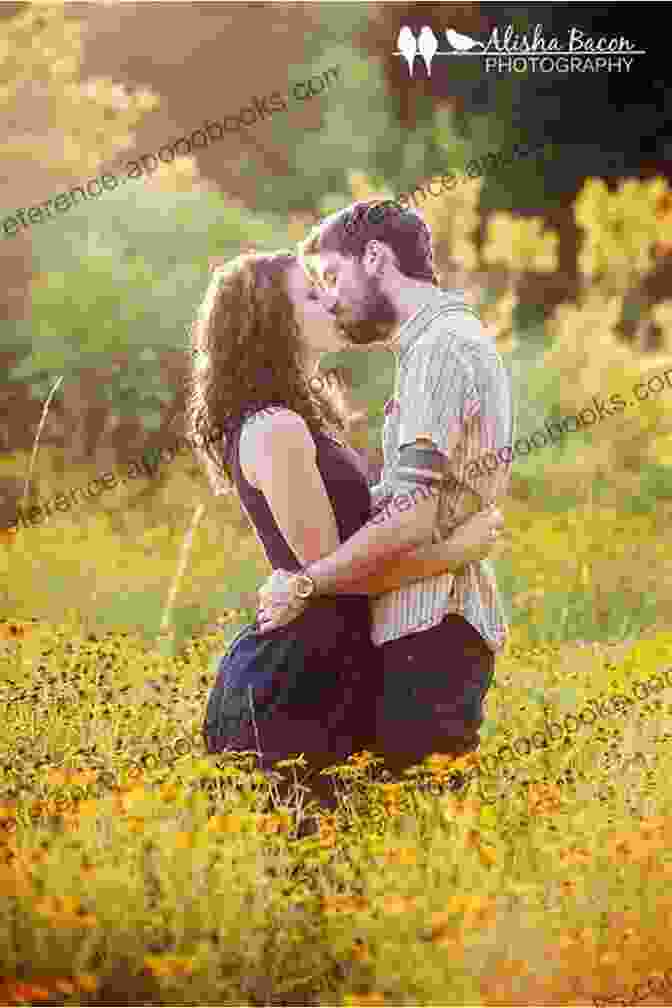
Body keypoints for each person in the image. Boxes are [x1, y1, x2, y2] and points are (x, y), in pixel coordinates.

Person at [187, 250, 505, 808]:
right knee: (307, 875)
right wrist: (461, 549)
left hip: (327, 671)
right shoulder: (276, 427)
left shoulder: (301, 417)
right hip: (291, 684)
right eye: (310, 295)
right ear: (273, 324)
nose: (329, 300)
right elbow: (339, 573)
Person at [256, 202, 515, 783]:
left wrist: (307, 583)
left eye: (332, 276)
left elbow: (416, 510)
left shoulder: (438, 349)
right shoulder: (436, 343)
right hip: (424, 618)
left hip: (432, 624)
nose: (332, 298)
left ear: (375, 258)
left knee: (422, 831)